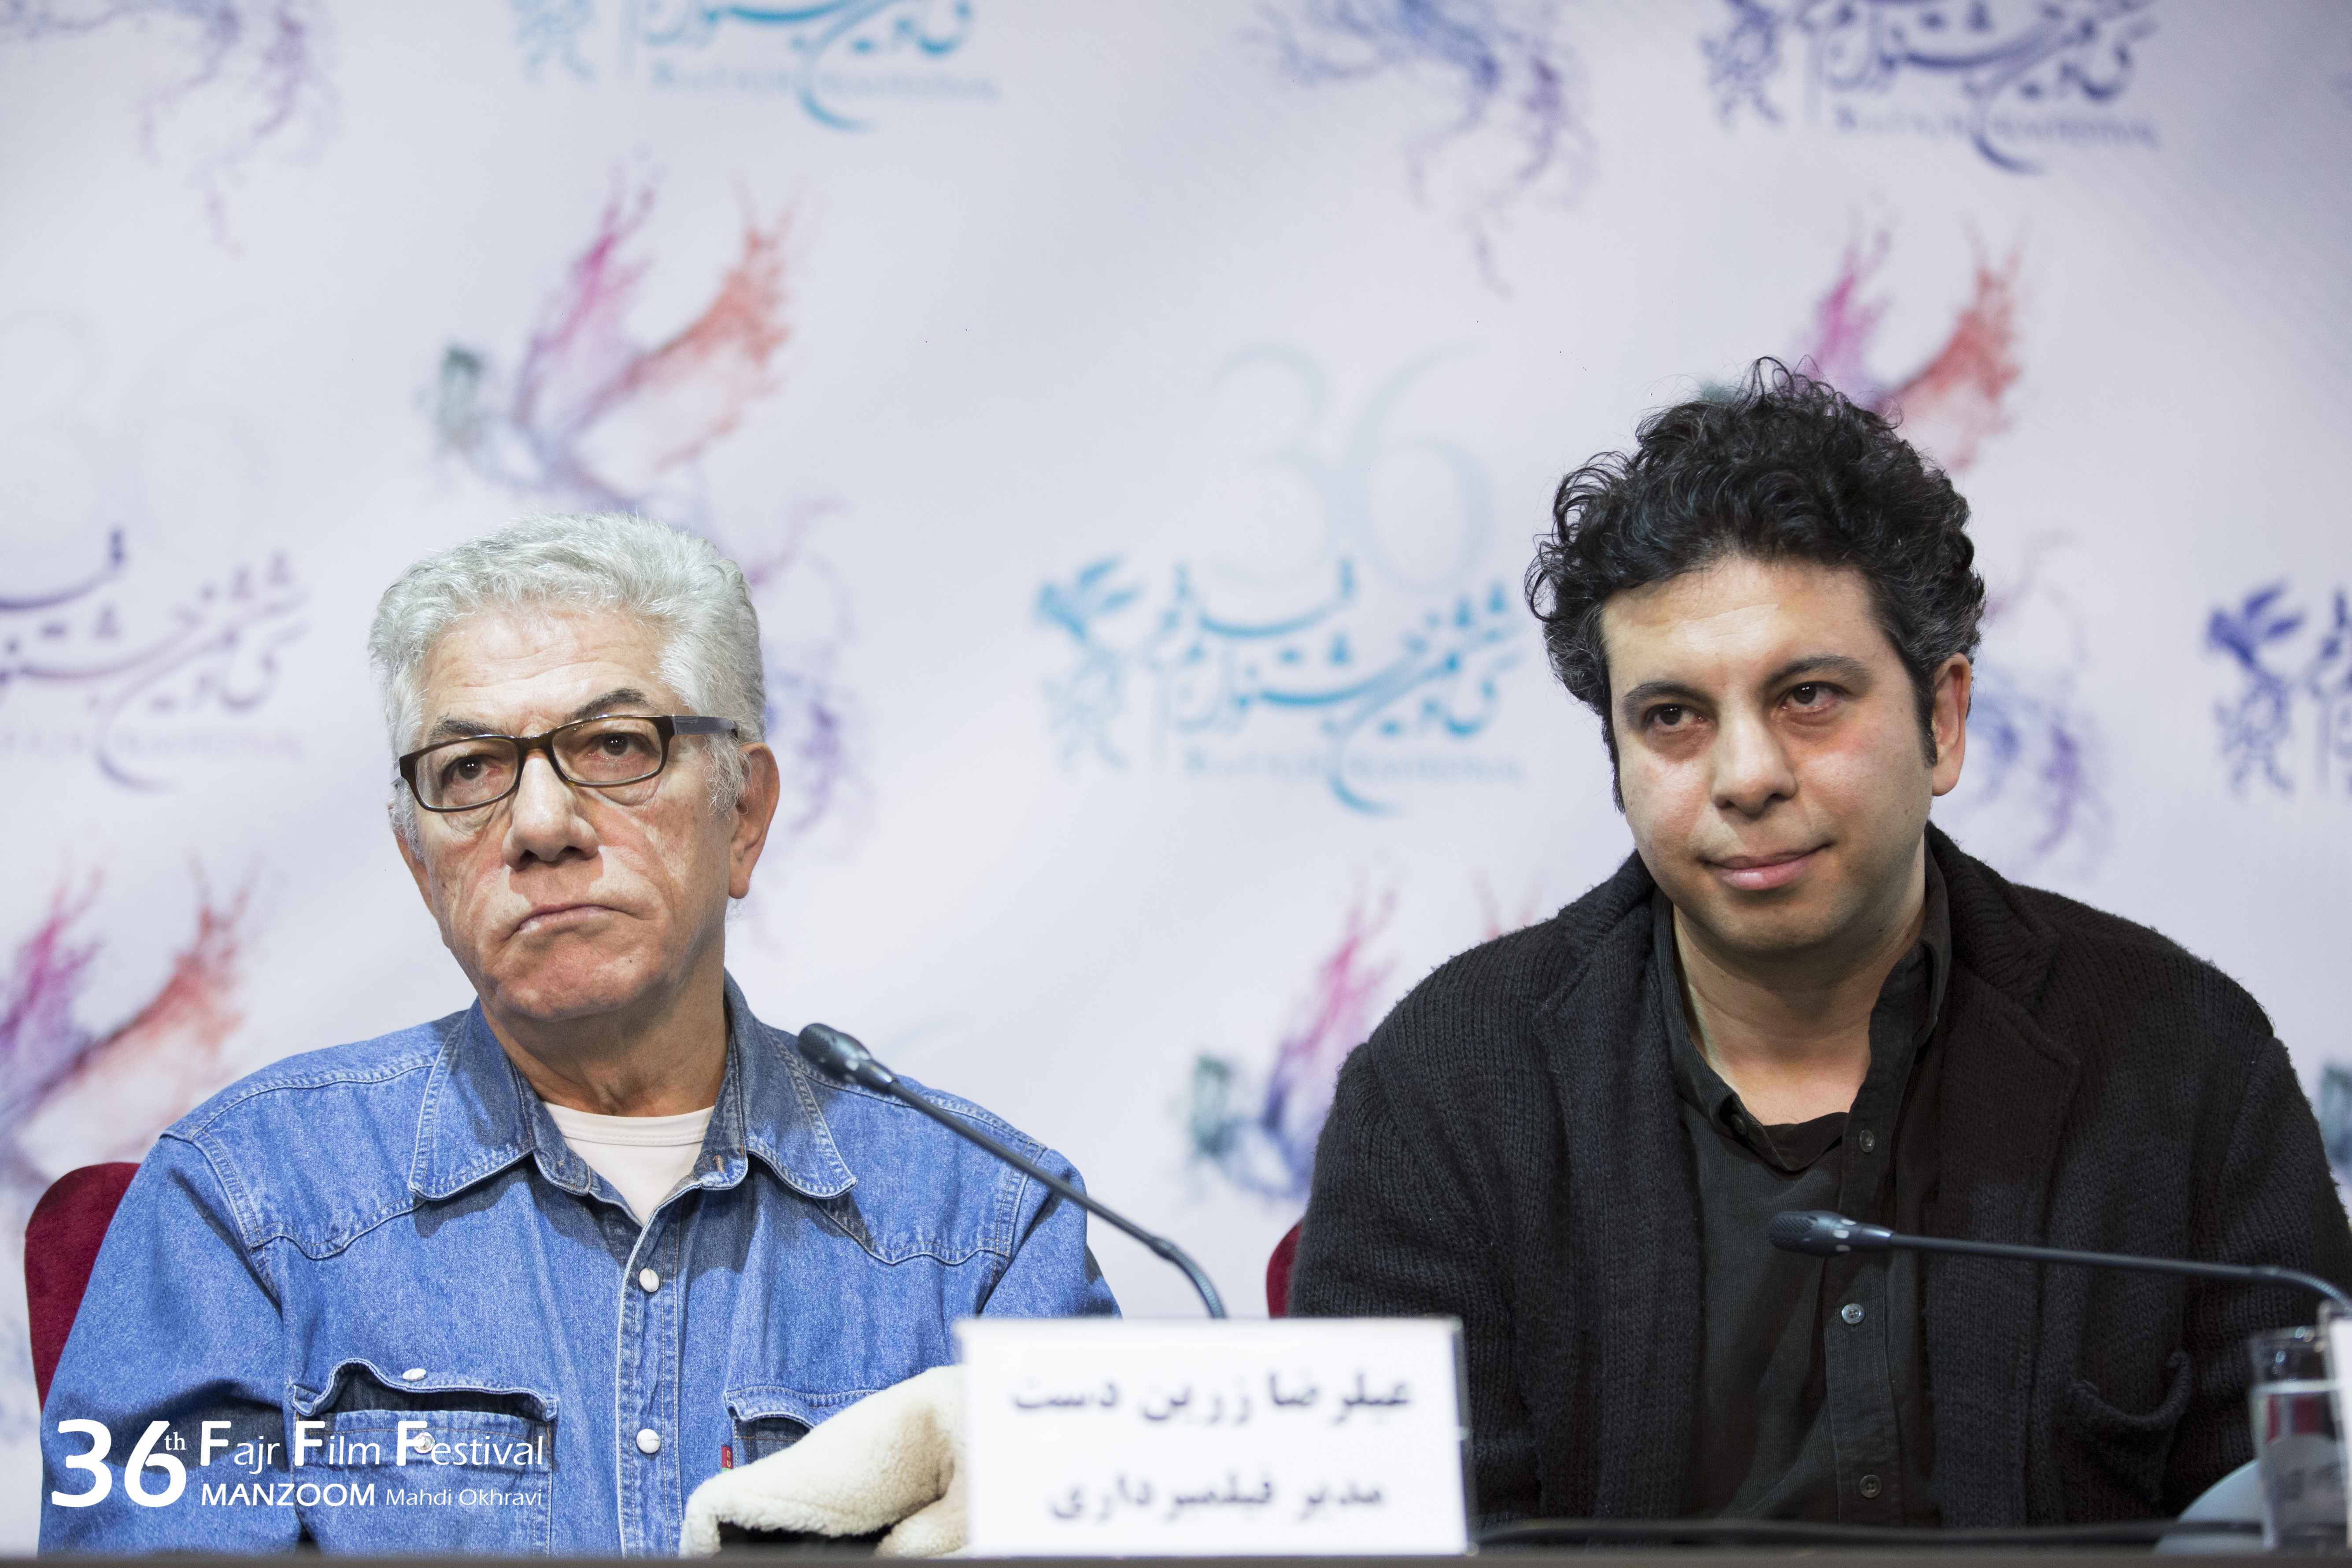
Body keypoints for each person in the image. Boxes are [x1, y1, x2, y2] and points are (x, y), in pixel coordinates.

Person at [1290, 361, 2352, 1529]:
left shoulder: (2180, 1057)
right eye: (1672, 717)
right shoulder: (1445, 1087)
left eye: (1807, 697)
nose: (1745, 777)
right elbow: (1402, 1536)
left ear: (1942, 718)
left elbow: (2304, 1512)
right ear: (1618, 761)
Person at [40, 514, 1115, 1554]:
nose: (542, 825)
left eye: (613, 745)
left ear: (743, 815)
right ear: (420, 864)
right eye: (469, 769)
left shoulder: (986, 1224)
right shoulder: (246, 1201)